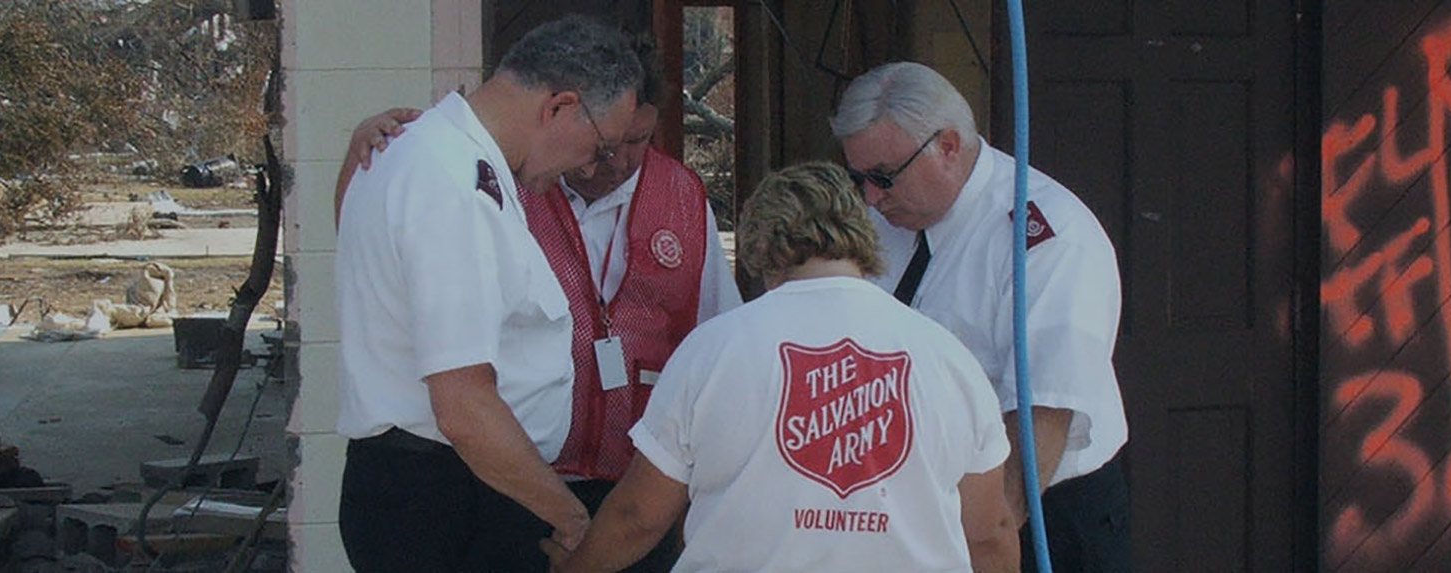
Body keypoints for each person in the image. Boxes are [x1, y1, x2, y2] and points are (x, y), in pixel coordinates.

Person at [336, 39, 738, 572]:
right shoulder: (451, 180)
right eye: (598, 146)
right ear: (560, 107)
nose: (598, 164)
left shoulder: (433, 157)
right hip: (448, 491)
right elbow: (464, 406)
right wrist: (573, 523)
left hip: (466, 485)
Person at [546, 161, 1020, 573]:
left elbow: (640, 516)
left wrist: (576, 566)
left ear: (759, 243)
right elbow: (990, 530)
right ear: (862, 236)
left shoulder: (713, 350)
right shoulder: (948, 357)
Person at [832, 62, 1131, 572]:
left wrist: (977, 547)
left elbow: (1041, 422)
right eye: (858, 178)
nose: (870, 197)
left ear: (948, 145)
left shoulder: (1044, 237)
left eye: (883, 177)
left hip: (1032, 509)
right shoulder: (883, 219)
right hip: (913, 503)